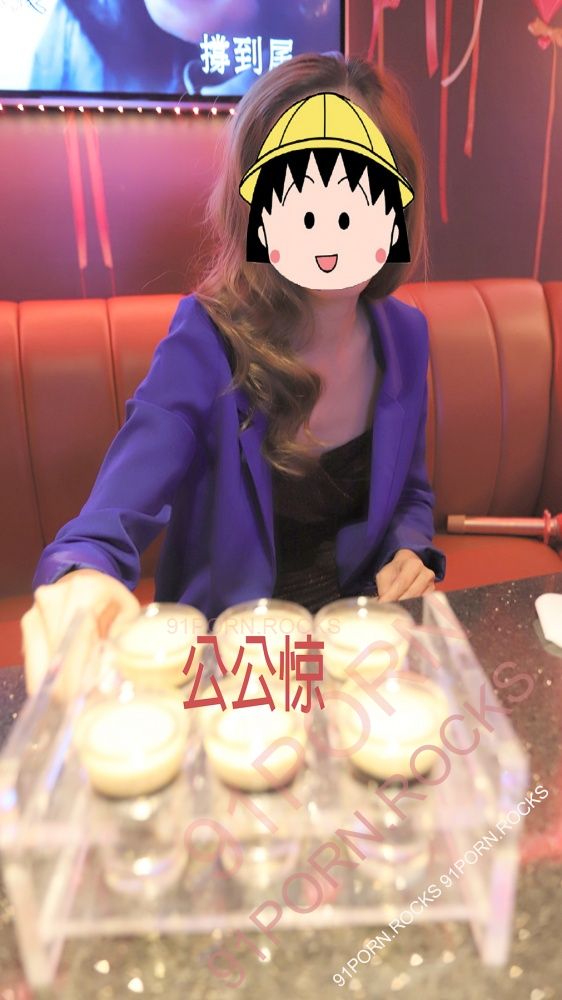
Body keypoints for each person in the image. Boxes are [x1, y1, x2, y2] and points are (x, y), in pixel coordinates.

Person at [21, 52, 446, 694]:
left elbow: (410, 492)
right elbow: (109, 518)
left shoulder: (405, 339)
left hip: (356, 650)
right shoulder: (206, 341)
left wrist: (409, 549)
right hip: (233, 665)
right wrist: (80, 577)